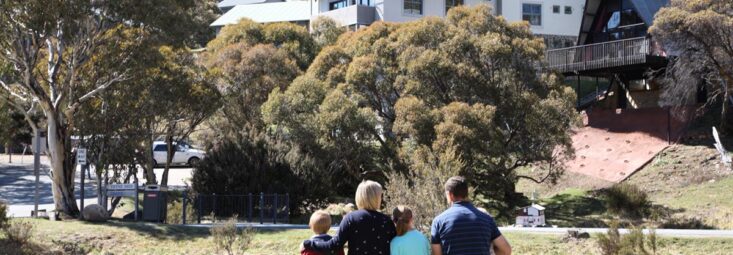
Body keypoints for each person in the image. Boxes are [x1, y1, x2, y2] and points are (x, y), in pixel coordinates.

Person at [303, 180, 396, 255]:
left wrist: (308, 244)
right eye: (380, 196)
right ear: (375, 198)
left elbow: (333, 246)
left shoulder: (350, 218)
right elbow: (395, 247)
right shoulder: (386, 221)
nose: (381, 199)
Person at [430, 176, 512, 255]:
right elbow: (506, 250)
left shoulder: (439, 221)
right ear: (466, 193)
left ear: (450, 195)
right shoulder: (487, 219)